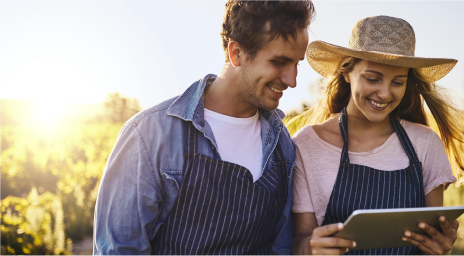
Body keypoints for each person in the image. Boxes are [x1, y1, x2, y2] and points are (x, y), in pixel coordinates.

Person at [93, 0, 315, 255]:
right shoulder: (151, 135)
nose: (292, 80)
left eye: (297, 64)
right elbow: (120, 249)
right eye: (279, 62)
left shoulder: (281, 144)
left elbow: (280, 248)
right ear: (236, 53)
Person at [289, 16, 464, 256]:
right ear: (347, 72)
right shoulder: (307, 145)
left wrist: (439, 249)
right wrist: (308, 247)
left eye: (398, 82)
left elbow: (433, 239)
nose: (385, 93)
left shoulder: (424, 143)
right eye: (372, 78)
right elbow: (298, 241)